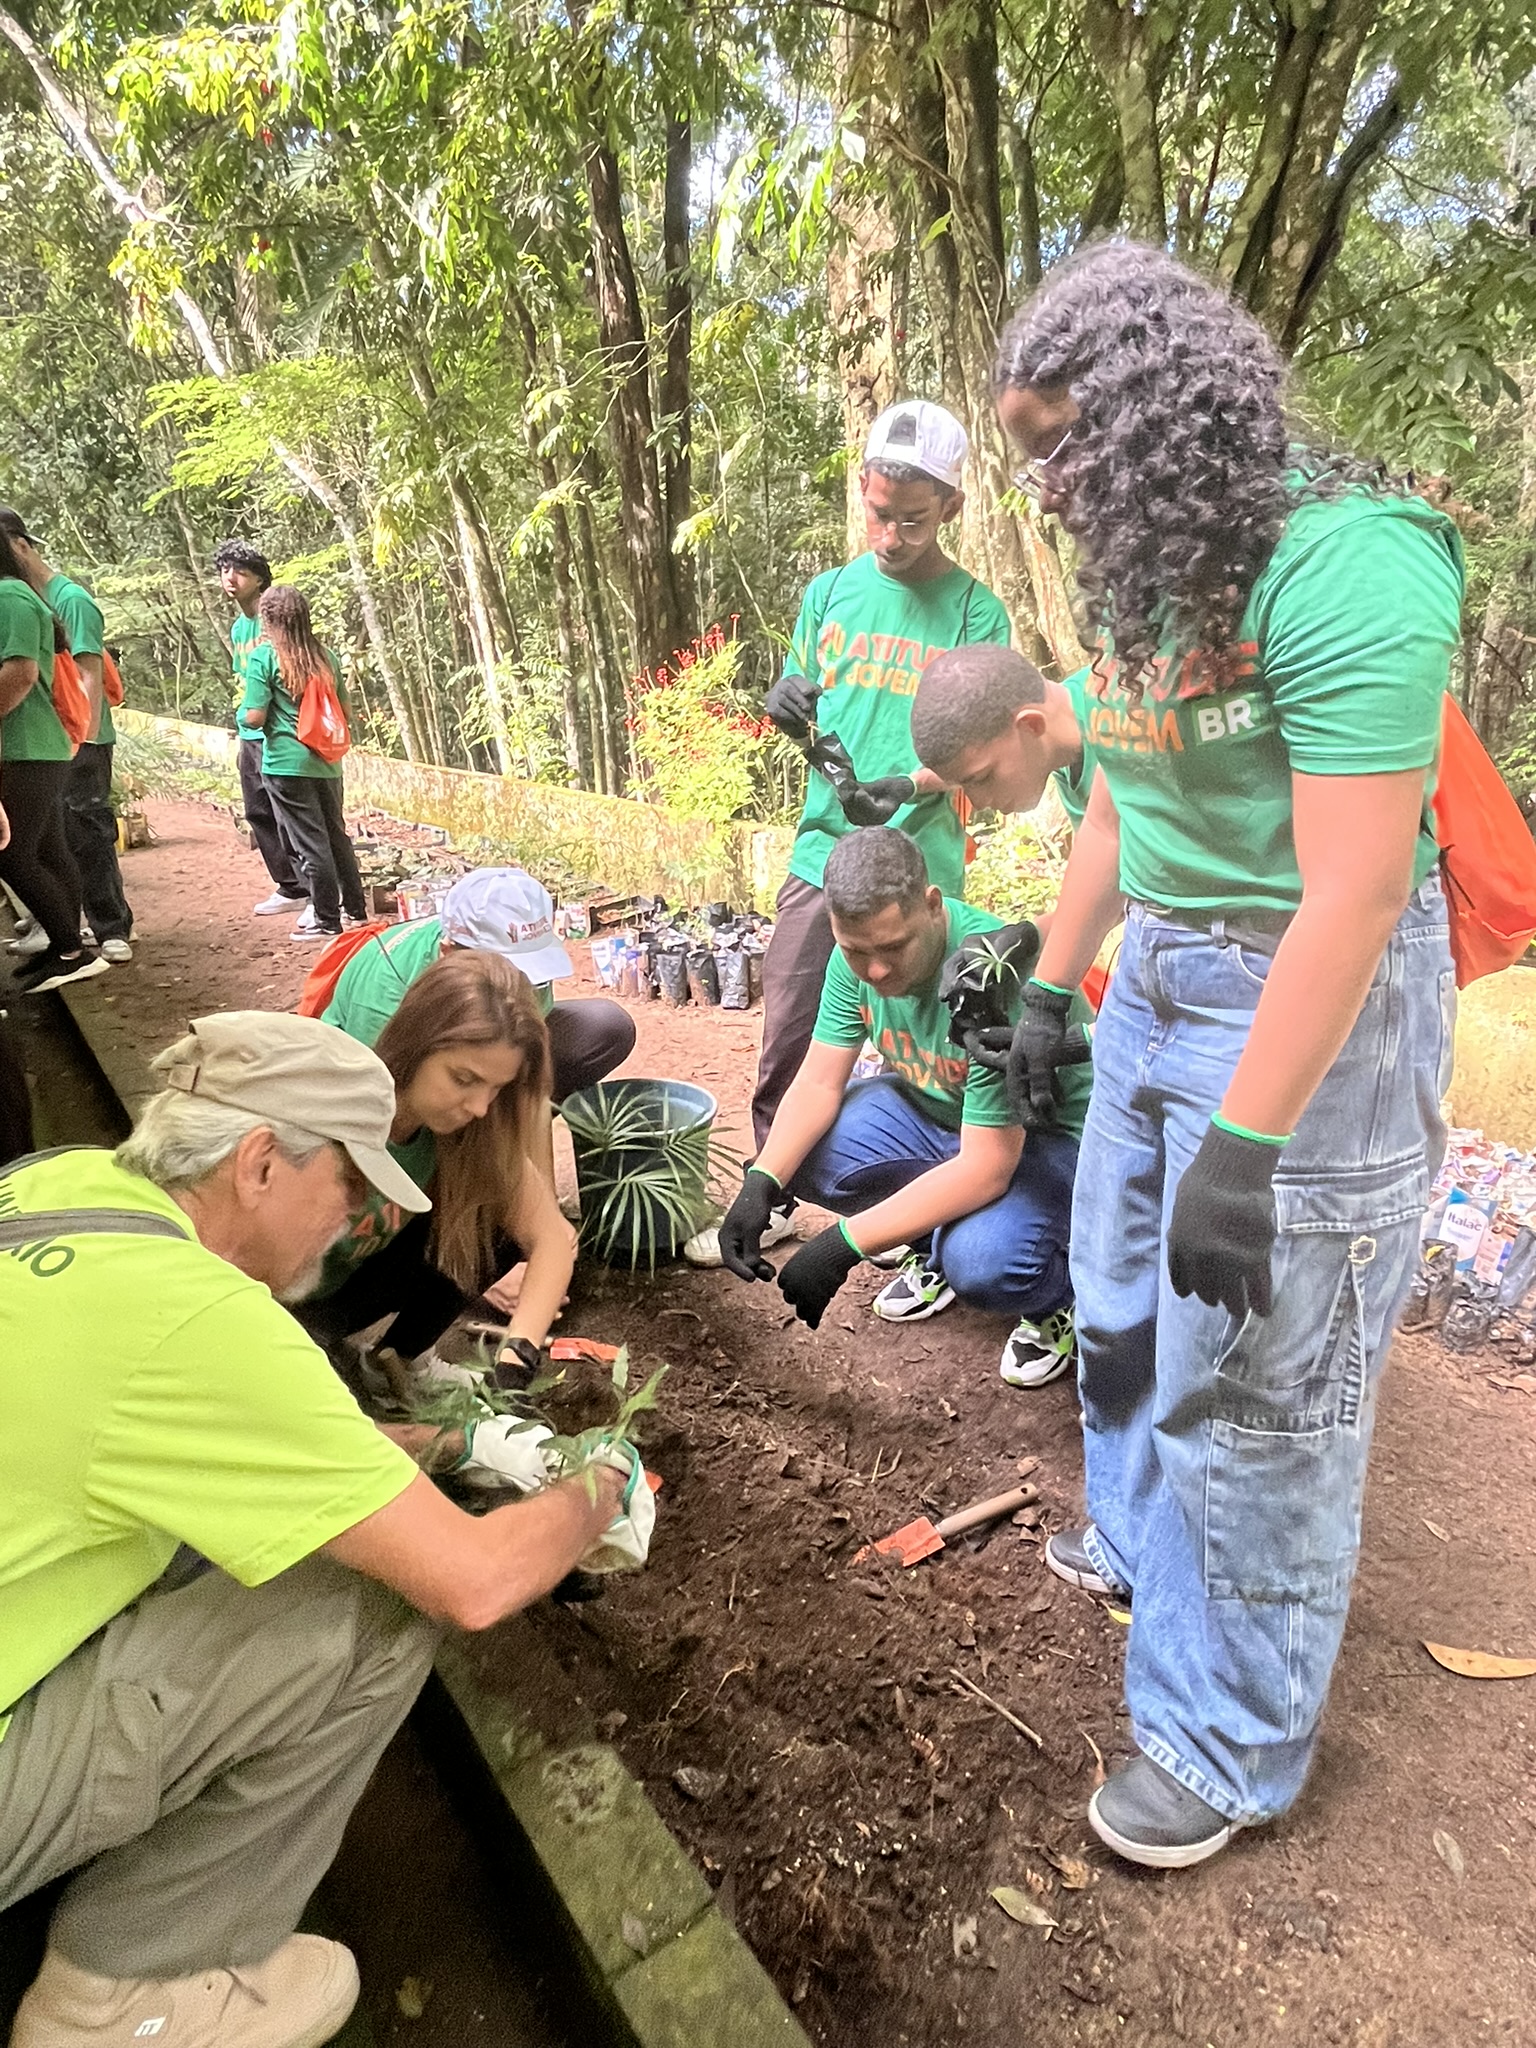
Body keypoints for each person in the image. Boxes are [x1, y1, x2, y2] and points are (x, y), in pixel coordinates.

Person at [990, 242, 1461, 1869]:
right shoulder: (1137, 561)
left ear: (1148, 419)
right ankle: (1138, 1540)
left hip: (1306, 998)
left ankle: (1224, 1734)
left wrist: (1250, 1147)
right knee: (1115, 1301)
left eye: (1058, 445)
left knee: (1253, 1389)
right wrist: (1055, 991)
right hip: (1158, 979)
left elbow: (1357, 883)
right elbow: (1122, 796)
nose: (1041, 487)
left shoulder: (1348, 561)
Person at [0, 1010, 643, 2048]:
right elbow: (471, 1581)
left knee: (232, 1529)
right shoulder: (203, 1320)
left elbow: (264, 1448)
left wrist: (448, 1448)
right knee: (377, 1600)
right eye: (346, 1186)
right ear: (259, 1162)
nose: (350, 1224)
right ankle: (114, 1997)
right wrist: (597, 1489)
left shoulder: (54, 1185)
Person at [687, 399, 1012, 1267]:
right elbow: (808, 697)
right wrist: (783, 702)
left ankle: (942, 1211)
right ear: (860, 491)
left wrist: (909, 784)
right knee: (793, 1025)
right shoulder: (828, 592)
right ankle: (774, 1189)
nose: (894, 534)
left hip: (921, 864)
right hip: (820, 852)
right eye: (879, 513)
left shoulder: (975, 613)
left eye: (914, 519)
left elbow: (989, 744)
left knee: (935, 1047)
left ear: (950, 507)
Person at [715, 827, 1091, 1385]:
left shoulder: (988, 977)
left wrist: (844, 1244)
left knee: (985, 1262)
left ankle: (1060, 1300)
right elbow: (818, 1082)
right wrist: (763, 1180)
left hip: (1049, 1139)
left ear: (933, 906)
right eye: (856, 950)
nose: (876, 972)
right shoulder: (856, 959)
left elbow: (987, 1167)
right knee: (808, 1153)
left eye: (894, 948)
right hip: (945, 1118)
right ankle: (931, 1246)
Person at [299, 949, 579, 1385]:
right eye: (464, 1079)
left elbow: (552, 1240)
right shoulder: (324, 1119)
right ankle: (322, 1358)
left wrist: (516, 1359)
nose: (482, 1107)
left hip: (350, 1292)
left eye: (497, 1087)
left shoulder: (462, 1130)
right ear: (416, 1045)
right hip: (280, 1305)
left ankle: (396, 1360)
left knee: (494, 1222)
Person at [323, 865, 636, 1110]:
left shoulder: (521, 961)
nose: (521, 986)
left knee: (605, 1026)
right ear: (450, 954)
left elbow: (531, 1050)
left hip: (471, 1062)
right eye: (509, 971)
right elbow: (382, 1108)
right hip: (375, 1092)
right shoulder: (386, 995)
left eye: (528, 971)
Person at [0, 508, 134, 963]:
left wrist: (85, 741)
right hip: (60, 734)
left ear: (19, 545)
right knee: (55, 837)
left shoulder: (69, 599)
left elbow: (89, 673)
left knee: (90, 830)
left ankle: (111, 926)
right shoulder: (30, 596)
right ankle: (63, 927)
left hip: (81, 736)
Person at [239, 583, 368, 940]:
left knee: (310, 843)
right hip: (327, 761)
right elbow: (343, 710)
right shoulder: (326, 656)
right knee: (335, 835)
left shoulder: (265, 658)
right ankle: (355, 909)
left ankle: (327, 920)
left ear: (268, 619)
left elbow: (254, 716)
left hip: (285, 763)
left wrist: (239, 719)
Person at [214, 539, 307, 917]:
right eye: (224, 571)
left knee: (292, 815)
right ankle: (289, 886)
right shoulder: (240, 628)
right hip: (251, 734)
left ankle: (315, 889)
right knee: (258, 811)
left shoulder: (277, 622)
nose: (230, 578)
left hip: (281, 733)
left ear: (260, 579)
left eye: (240, 571)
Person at [911, 641, 1093, 829]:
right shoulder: (1064, 749)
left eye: (983, 778)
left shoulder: (1119, 714)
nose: (978, 804)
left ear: (1030, 725)